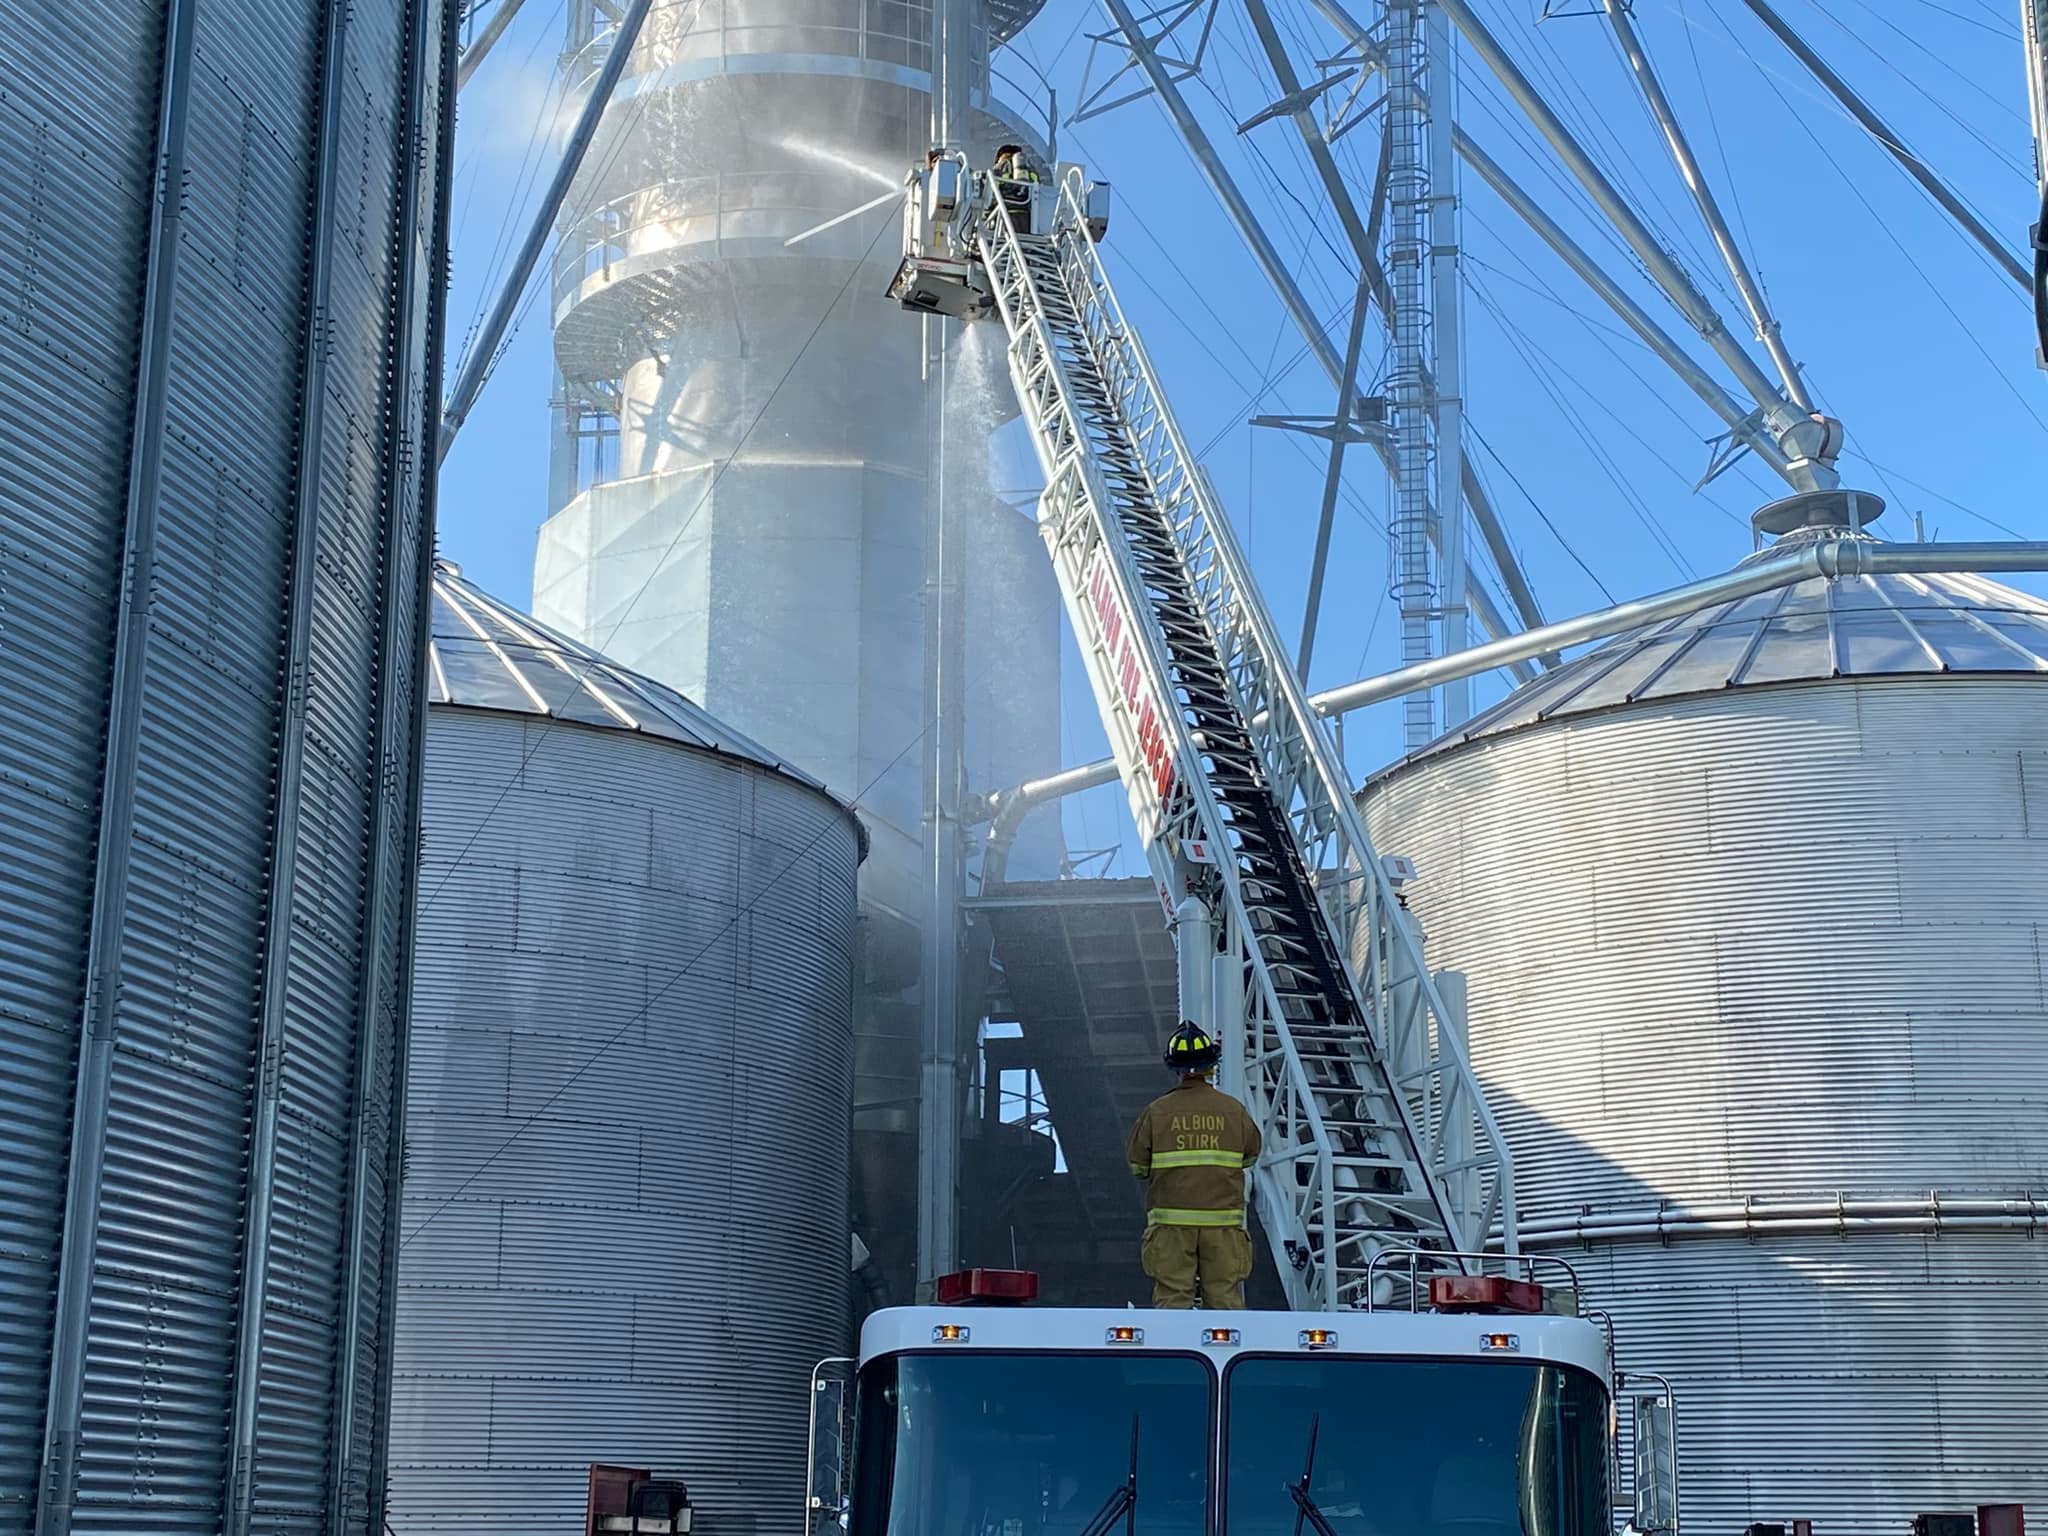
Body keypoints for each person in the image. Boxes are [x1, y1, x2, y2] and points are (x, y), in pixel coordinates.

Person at [1125, 1021, 1261, 1309]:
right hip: (1223, 1227)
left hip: (1171, 1228)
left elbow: (1137, 1167)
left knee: (1173, 1302)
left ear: (1174, 1069)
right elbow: (1250, 1156)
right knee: (1225, 1302)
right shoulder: (1233, 1110)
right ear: (1211, 1066)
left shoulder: (1156, 1112)